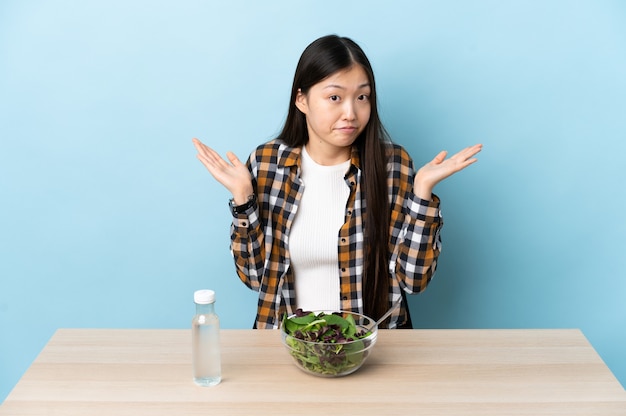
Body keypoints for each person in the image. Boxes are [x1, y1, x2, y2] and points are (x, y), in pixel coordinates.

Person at [193, 34, 482, 329]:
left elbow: (414, 281)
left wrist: (422, 194)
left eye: (362, 97)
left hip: (372, 346)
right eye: (335, 97)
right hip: (289, 346)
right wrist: (243, 198)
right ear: (301, 99)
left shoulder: (392, 165)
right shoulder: (268, 163)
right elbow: (255, 278)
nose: (351, 113)